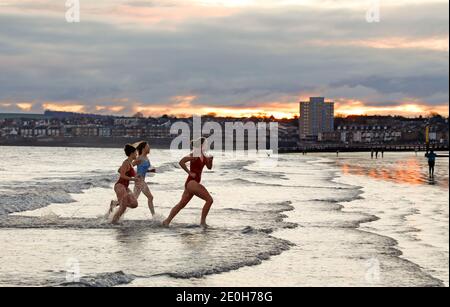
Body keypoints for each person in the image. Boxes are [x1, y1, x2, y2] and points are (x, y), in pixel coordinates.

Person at [163, 137, 214, 228]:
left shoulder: (205, 157)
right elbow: (181, 162)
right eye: (206, 144)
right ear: (202, 145)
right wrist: (189, 172)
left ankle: (166, 221)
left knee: (181, 204)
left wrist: (211, 160)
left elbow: (209, 167)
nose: (207, 145)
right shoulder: (195, 154)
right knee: (209, 200)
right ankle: (202, 223)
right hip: (191, 182)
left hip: (192, 183)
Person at [110, 144, 139, 224]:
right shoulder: (125, 163)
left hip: (125, 186)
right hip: (120, 185)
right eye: (136, 153)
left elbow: (119, 170)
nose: (137, 154)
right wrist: (133, 179)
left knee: (134, 204)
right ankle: (113, 223)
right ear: (132, 153)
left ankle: (115, 203)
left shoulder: (130, 163)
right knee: (123, 207)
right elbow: (122, 175)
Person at [133, 141, 156, 217]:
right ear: (143, 148)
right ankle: (154, 216)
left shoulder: (146, 158)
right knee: (150, 197)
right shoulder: (140, 158)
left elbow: (143, 168)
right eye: (148, 147)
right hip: (139, 181)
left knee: (133, 200)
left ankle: (115, 203)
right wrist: (135, 176)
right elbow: (129, 166)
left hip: (142, 181)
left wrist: (150, 170)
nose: (149, 148)